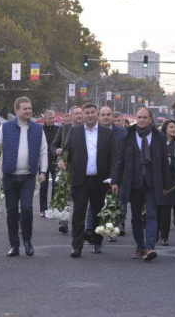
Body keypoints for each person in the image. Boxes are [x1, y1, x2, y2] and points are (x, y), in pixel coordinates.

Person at [57, 103, 120, 257]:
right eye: (87, 113)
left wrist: (113, 178)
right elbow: (66, 151)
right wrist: (61, 160)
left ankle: (97, 242)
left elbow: (114, 156)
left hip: (100, 180)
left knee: (99, 212)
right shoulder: (75, 131)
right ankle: (76, 246)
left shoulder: (107, 133)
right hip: (80, 179)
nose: (90, 115)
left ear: (97, 114)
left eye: (93, 112)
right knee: (79, 213)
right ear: (83, 115)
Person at [0, 97, 48, 257]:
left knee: (28, 208)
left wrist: (43, 171)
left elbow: (44, 151)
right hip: (9, 176)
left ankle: (27, 241)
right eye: (25, 108)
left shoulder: (37, 128)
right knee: (12, 211)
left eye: (30, 108)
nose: (28, 111)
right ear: (17, 111)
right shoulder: (6, 127)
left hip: (28, 176)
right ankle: (14, 245)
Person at [111, 106, 169, 261]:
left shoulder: (159, 136)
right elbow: (121, 160)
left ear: (150, 119)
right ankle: (140, 247)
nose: (142, 120)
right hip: (133, 182)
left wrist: (165, 185)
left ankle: (150, 247)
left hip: (152, 182)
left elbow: (164, 162)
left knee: (151, 214)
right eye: (139, 117)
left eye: (145, 117)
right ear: (136, 119)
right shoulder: (128, 134)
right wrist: (115, 180)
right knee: (135, 216)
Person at [89, 106, 127, 241]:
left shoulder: (123, 133)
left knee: (115, 202)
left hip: (117, 172)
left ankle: (113, 229)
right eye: (103, 114)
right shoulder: (93, 131)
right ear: (99, 117)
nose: (106, 117)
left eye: (108, 114)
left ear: (112, 117)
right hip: (97, 173)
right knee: (94, 204)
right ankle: (90, 230)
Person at [51, 106, 83, 234]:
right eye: (76, 114)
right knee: (66, 195)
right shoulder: (64, 128)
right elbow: (54, 145)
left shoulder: (89, 128)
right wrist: (57, 155)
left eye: (81, 113)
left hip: (83, 167)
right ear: (70, 116)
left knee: (80, 198)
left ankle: (80, 224)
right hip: (67, 167)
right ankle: (64, 222)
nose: (79, 116)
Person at [159, 120, 175, 246]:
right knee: (158, 208)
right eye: (171, 127)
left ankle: (164, 236)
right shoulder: (159, 142)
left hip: (173, 180)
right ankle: (156, 231)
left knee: (166, 209)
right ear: (165, 129)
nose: (174, 129)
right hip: (158, 179)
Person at [40, 110, 59, 218]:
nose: (52, 120)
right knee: (43, 186)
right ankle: (43, 209)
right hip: (43, 162)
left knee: (56, 185)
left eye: (53, 118)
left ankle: (53, 207)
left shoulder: (58, 129)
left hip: (55, 161)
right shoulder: (40, 130)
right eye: (50, 118)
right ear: (45, 119)